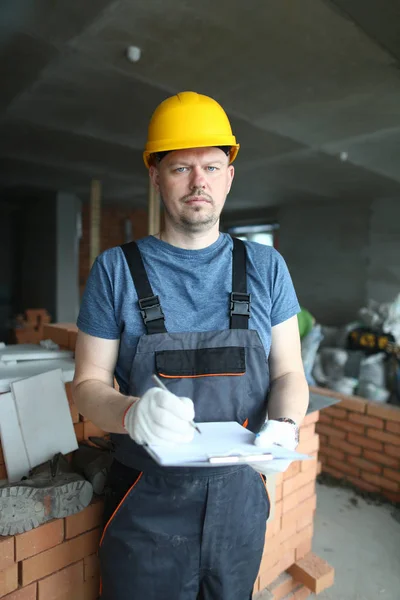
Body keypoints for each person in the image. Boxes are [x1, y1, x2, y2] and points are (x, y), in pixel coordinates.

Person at [72, 91, 309, 600]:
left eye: (211, 165)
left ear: (229, 175)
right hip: (145, 506)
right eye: (181, 167)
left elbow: (289, 372)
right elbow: (87, 385)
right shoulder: (116, 270)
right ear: (155, 176)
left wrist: (285, 426)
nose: (198, 181)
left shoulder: (267, 268)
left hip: (241, 504)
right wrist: (131, 412)